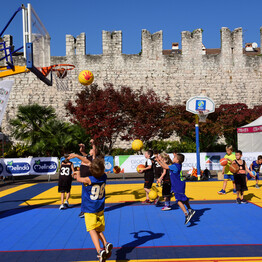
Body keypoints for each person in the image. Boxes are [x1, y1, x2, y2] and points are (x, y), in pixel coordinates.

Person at [73, 157, 113, 262]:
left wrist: (76, 173)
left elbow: (78, 179)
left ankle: (99, 250)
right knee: (98, 229)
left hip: (90, 208)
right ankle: (106, 243)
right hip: (100, 207)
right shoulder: (104, 176)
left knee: (91, 229)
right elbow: (95, 166)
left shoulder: (88, 179)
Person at [156, 153, 195, 225]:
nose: (173, 158)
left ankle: (186, 214)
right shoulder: (177, 165)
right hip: (180, 184)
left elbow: (165, 166)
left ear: (177, 160)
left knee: (178, 200)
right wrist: (168, 158)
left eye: (174, 158)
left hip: (178, 185)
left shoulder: (175, 166)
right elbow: (171, 163)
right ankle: (190, 209)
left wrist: (159, 161)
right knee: (183, 197)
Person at [69, 139, 97, 218]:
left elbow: (94, 150)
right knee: (85, 195)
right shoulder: (87, 156)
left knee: (87, 196)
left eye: (91, 149)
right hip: (83, 178)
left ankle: (87, 210)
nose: (91, 150)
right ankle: (85, 210)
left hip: (89, 179)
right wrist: (82, 147)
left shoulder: (93, 158)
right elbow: (81, 151)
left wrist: (93, 143)